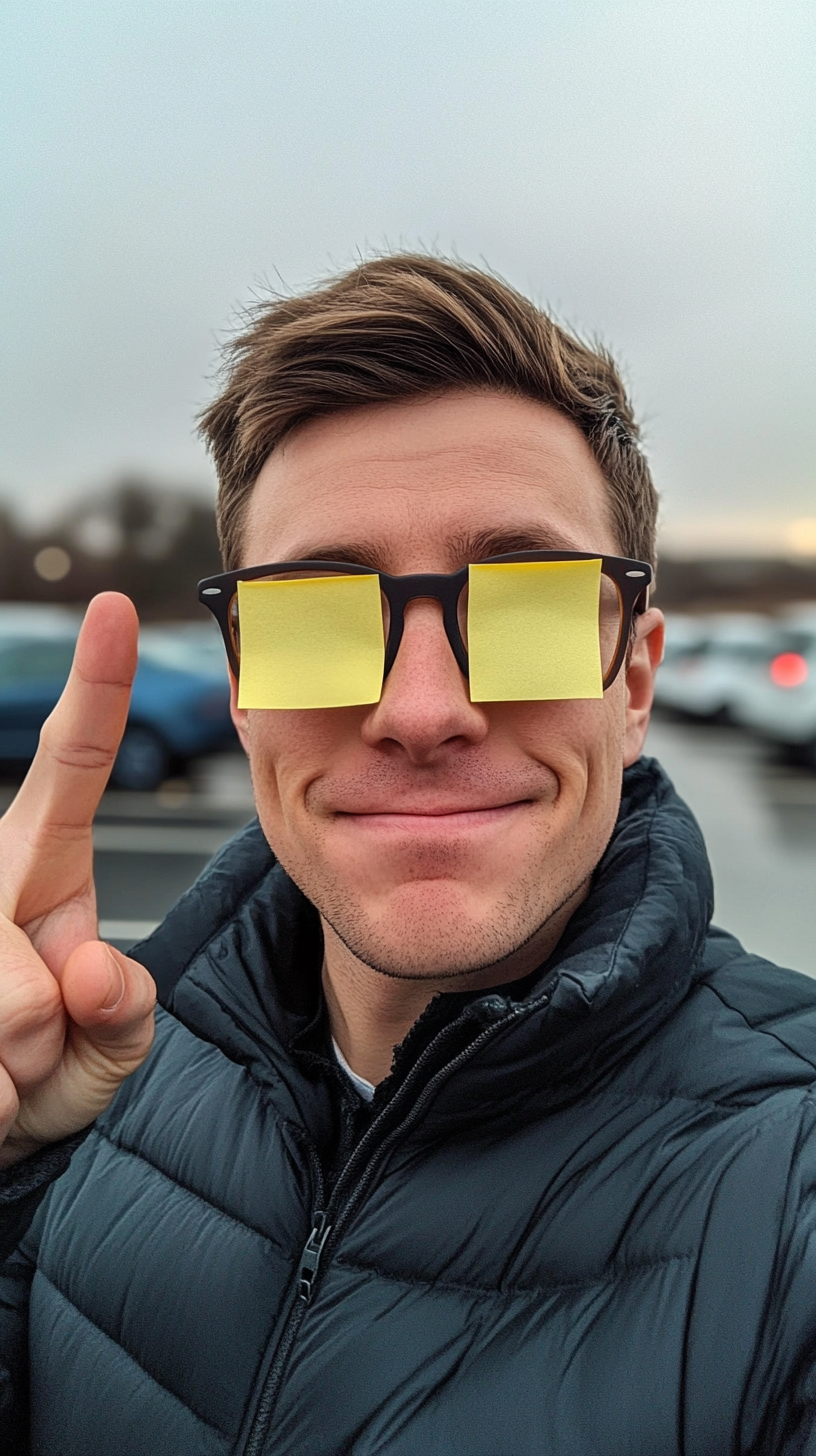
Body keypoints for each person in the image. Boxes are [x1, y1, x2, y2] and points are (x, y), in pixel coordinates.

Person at [1, 254, 816, 1456]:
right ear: (240, 688)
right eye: (318, 617)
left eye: (527, 603)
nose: (421, 707)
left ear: (634, 680)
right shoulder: (75, 1098)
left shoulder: (791, 1178)